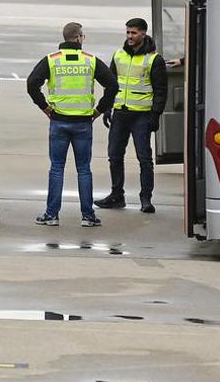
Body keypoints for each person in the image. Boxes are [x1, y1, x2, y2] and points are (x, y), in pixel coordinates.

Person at [26, 22, 117, 227]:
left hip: (59, 120)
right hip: (83, 122)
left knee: (56, 168)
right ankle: (87, 216)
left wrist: (44, 107)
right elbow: (112, 85)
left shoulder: (51, 60)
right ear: (78, 38)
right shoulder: (90, 61)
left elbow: (32, 83)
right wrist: (99, 109)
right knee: (84, 169)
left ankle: (51, 215)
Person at [96, 18, 168, 213]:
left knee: (144, 159)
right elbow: (111, 85)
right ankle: (116, 195)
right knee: (114, 155)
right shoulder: (119, 55)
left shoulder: (154, 59)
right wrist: (107, 108)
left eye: (134, 33)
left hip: (141, 116)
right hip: (120, 113)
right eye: (128, 32)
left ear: (143, 34)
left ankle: (146, 199)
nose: (129, 36)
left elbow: (161, 91)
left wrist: (155, 115)